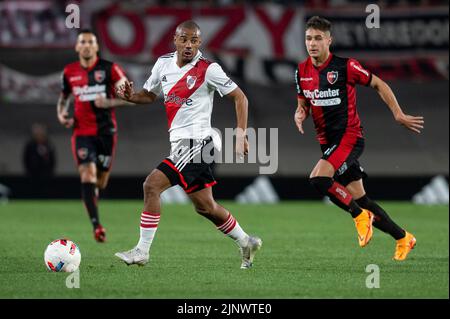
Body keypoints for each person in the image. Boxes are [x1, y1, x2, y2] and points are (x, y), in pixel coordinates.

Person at [98, 20, 262, 269]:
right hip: (181, 145)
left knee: (151, 185)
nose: (188, 45)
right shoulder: (163, 64)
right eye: (184, 39)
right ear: (174, 39)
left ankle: (142, 251)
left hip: (198, 143)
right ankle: (246, 241)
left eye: (194, 40)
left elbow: (240, 97)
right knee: (206, 207)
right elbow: (149, 95)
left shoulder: (209, 69)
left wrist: (241, 134)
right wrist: (130, 96)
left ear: (200, 43)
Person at [294, 16, 424, 261]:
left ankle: (358, 215)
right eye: (309, 38)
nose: (312, 43)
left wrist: (398, 113)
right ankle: (403, 237)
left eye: (318, 38)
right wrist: (300, 113)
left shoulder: (346, 66)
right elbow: (303, 102)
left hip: (350, 138)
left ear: (329, 40)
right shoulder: (301, 71)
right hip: (328, 143)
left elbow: (379, 84)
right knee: (362, 199)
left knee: (319, 179)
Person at [57, 29, 131, 242]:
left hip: (106, 133)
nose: (87, 45)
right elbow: (63, 99)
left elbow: (129, 97)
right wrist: (62, 114)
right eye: (83, 42)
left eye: (91, 41)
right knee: (87, 175)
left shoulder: (110, 69)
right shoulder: (69, 72)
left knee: (100, 182)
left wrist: (109, 102)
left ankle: (94, 196)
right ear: (77, 47)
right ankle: (97, 226)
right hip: (81, 133)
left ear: (97, 46)